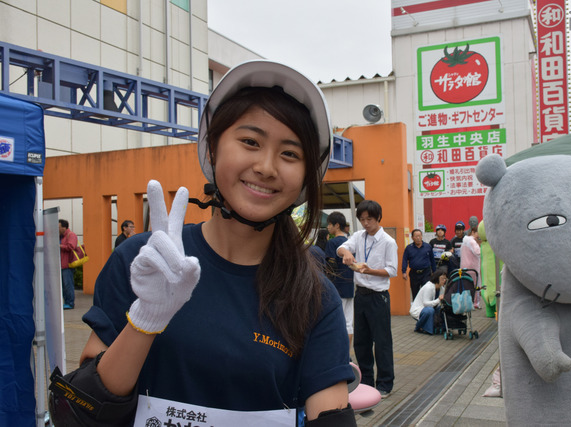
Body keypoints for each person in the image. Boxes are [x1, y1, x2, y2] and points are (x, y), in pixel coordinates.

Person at [49, 60, 356, 426]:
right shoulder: (143, 260)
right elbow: (79, 413)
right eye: (250, 142)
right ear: (212, 149)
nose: (267, 167)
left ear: (306, 177)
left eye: (290, 153)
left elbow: (331, 416)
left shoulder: (314, 296)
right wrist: (145, 319)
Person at [337, 200, 398, 399]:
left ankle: (385, 384)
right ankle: (366, 381)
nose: (365, 223)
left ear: (378, 218)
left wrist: (369, 270)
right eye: (362, 219)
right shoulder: (358, 236)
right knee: (361, 342)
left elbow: (392, 270)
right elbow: (342, 248)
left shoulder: (388, 241)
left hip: (378, 296)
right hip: (361, 294)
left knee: (382, 342)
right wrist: (346, 252)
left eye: (369, 219)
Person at [325, 211, 355, 347]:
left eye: (329, 224)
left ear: (336, 225)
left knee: (337, 320)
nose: (327, 227)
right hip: (350, 285)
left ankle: (339, 352)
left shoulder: (332, 243)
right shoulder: (350, 242)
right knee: (348, 322)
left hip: (337, 286)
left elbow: (330, 267)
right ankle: (347, 353)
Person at [401, 229, 436, 301]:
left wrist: (434, 271)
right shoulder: (409, 248)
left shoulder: (428, 247)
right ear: (412, 237)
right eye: (416, 236)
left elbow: (432, 260)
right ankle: (416, 310)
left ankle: (426, 310)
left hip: (426, 273)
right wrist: (404, 272)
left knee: (426, 292)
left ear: (422, 236)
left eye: (419, 236)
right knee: (415, 293)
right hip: (414, 273)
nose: (418, 238)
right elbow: (404, 260)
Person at [410, 268, 448, 334]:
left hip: (432, 308)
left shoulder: (442, 288)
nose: (444, 281)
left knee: (443, 309)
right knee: (430, 310)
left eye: (445, 279)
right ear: (437, 278)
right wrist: (438, 299)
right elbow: (426, 304)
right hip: (420, 309)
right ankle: (421, 327)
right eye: (442, 279)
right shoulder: (429, 287)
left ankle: (442, 327)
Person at [460, 226, 482, 309]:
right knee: (475, 285)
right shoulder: (472, 241)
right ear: (473, 232)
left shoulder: (464, 241)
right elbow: (478, 252)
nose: (478, 235)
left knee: (466, 285)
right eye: (478, 233)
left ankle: (466, 303)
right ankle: (475, 303)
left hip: (464, 266)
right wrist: (480, 244)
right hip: (473, 267)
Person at [58, 219, 78, 310]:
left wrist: (60, 246)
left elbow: (71, 246)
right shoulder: (60, 236)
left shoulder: (71, 235)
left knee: (68, 284)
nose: (57, 229)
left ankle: (70, 302)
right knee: (63, 285)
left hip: (67, 265)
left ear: (64, 227)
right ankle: (66, 302)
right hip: (61, 264)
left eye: (58, 227)